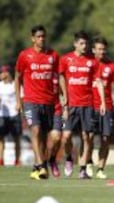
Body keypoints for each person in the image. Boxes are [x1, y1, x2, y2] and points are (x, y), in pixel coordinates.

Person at [59, 31, 106, 179]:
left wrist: (103, 101)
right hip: (71, 104)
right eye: (81, 43)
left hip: (87, 105)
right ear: (75, 44)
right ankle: (68, 158)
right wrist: (64, 99)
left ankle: (83, 169)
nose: (84, 46)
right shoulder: (66, 59)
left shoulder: (92, 61)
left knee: (87, 137)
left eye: (86, 43)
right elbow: (60, 77)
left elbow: (98, 82)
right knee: (66, 137)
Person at [15, 25, 59, 180]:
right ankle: (41, 165)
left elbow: (59, 77)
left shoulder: (53, 55)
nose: (42, 39)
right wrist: (18, 100)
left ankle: (38, 167)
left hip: (49, 102)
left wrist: (62, 96)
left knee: (46, 137)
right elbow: (18, 77)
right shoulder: (25, 55)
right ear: (32, 38)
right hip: (30, 100)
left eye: (43, 36)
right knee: (35, 130)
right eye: (39, 36)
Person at [86, 36, 114, 179]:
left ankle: (100, 169)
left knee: (105, 138)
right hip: (89, 106)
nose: (101, 52)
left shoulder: (112, 66)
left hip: (107, 107)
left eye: (103, 49)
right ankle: (88, 161)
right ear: (93, 50)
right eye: (99, 49)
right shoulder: (88, 64)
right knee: (89, 137)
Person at [0, 65, 22, 166]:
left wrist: (20, 106)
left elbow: (22, 98)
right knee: (1, 139)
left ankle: (17, 160)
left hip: (14, 114)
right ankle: (1, 160)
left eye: (4, 72)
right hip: (2, 115)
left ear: (9, 73)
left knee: (16, 138)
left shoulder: (16, 85)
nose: (2, 74)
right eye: (1, 72)